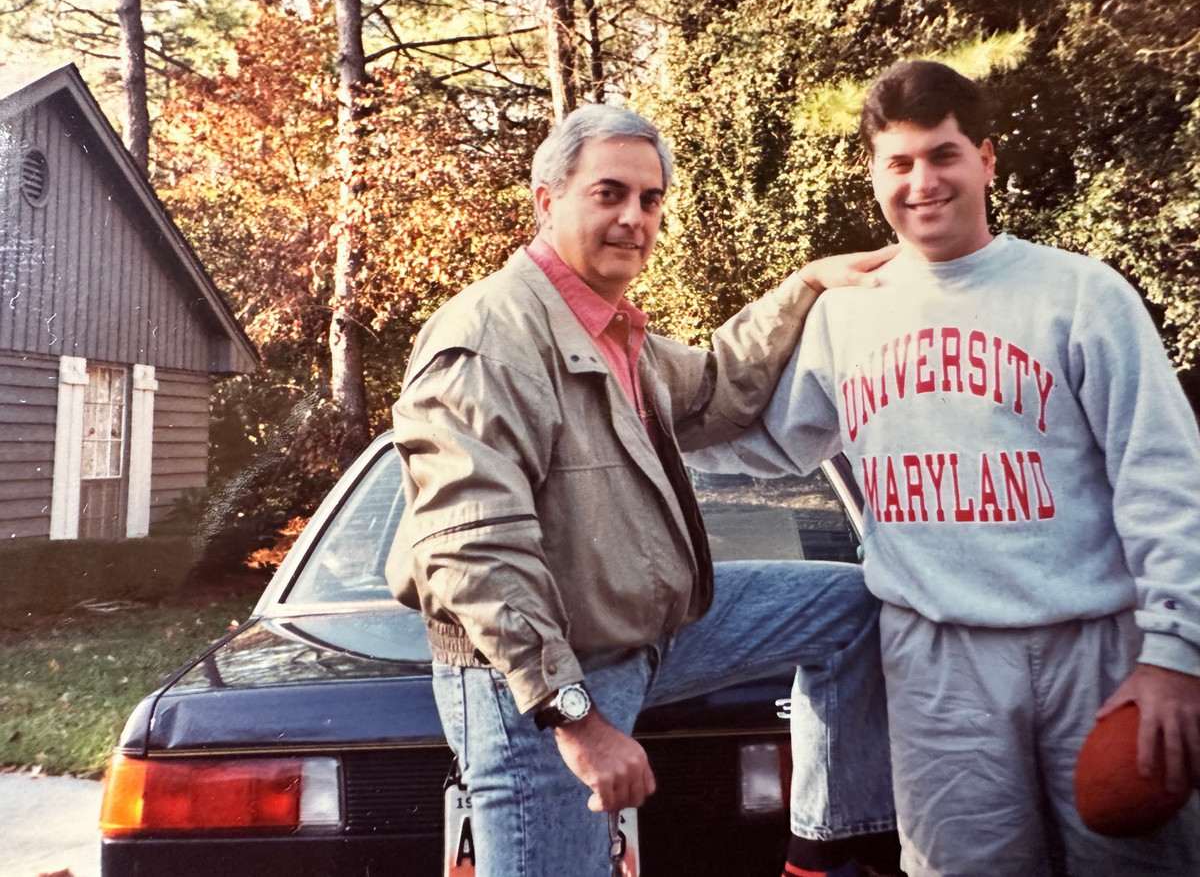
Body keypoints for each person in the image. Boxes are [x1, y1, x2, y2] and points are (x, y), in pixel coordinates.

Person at [693, 60, 1200, 875]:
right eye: (899, 163)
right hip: (938, 661)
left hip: (1097, 648)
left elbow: (1165, 475)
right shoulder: (845, 315)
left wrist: (1176, 653)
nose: (922, 182)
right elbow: (757, 439)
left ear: (987, 159)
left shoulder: (1080, 295)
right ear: (872, 173)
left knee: (1133, 860)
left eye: (943, 155)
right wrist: (611, 424)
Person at [385, 103, 901, 877]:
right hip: (528, 682)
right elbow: (472, 549)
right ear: (546, 199)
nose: (634, 218)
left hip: (648, 633)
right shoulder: (492, 337)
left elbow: (720, 386)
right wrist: (579, 724)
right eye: (609, 194)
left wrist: (805, 286)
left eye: (650, 200)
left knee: (855, 609)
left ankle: (823, 852)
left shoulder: (612, 332)